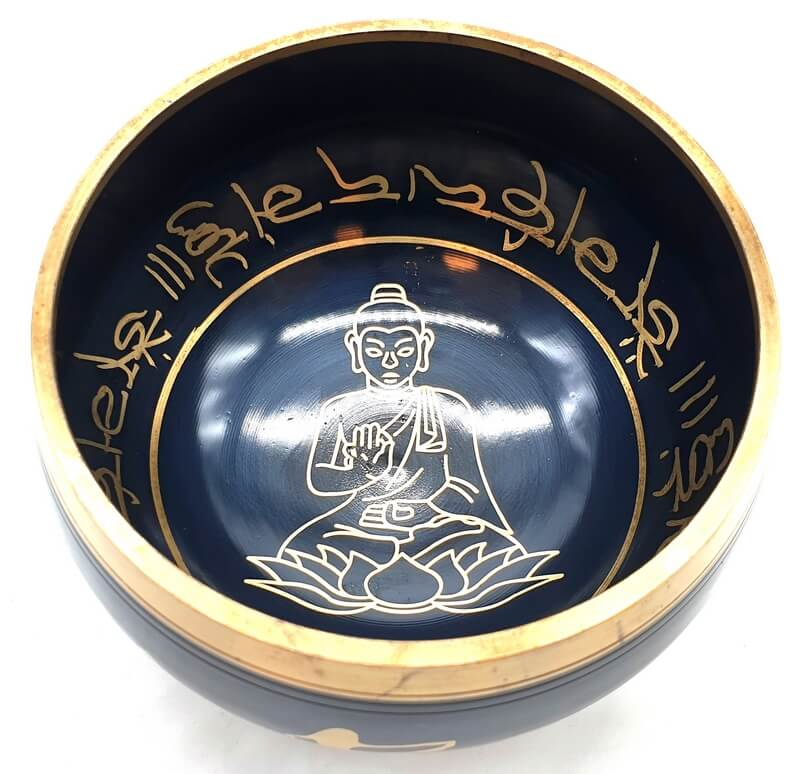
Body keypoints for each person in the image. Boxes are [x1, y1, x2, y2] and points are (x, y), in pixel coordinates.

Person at [246, 283, 562, 615]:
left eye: (404, 348)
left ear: (424, 347)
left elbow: (470, 491)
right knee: (306, 549)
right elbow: (320, 482)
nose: (389, 360)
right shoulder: (339, 409)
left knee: (489, 546)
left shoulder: (445, 407)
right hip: (357, 529)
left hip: (437, 530)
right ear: (354, 347)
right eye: (374, 349)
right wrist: (362, 472)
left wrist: (425, 477)